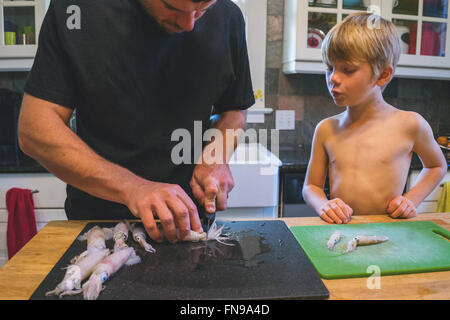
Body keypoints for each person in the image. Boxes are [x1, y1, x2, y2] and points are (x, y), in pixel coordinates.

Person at [18, 0, 255, 242]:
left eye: (202, 10)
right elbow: (34, 130)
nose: (189, 24)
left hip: (191, 227)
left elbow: (234, 108)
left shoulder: (229, 17)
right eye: (172, 8)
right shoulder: (75, 10)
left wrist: (217, 155)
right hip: (101, 227)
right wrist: (133, 188)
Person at [302, 12, 447, 224]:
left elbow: (437, 166)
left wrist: (410, 200)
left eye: (347, 70)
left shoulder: (410, 124)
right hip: (342, 231)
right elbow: (310, 187)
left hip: (390, 233)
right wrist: (324, 204)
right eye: (329, 68)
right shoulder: (326, 129)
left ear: (383, 75)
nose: (333, 78)